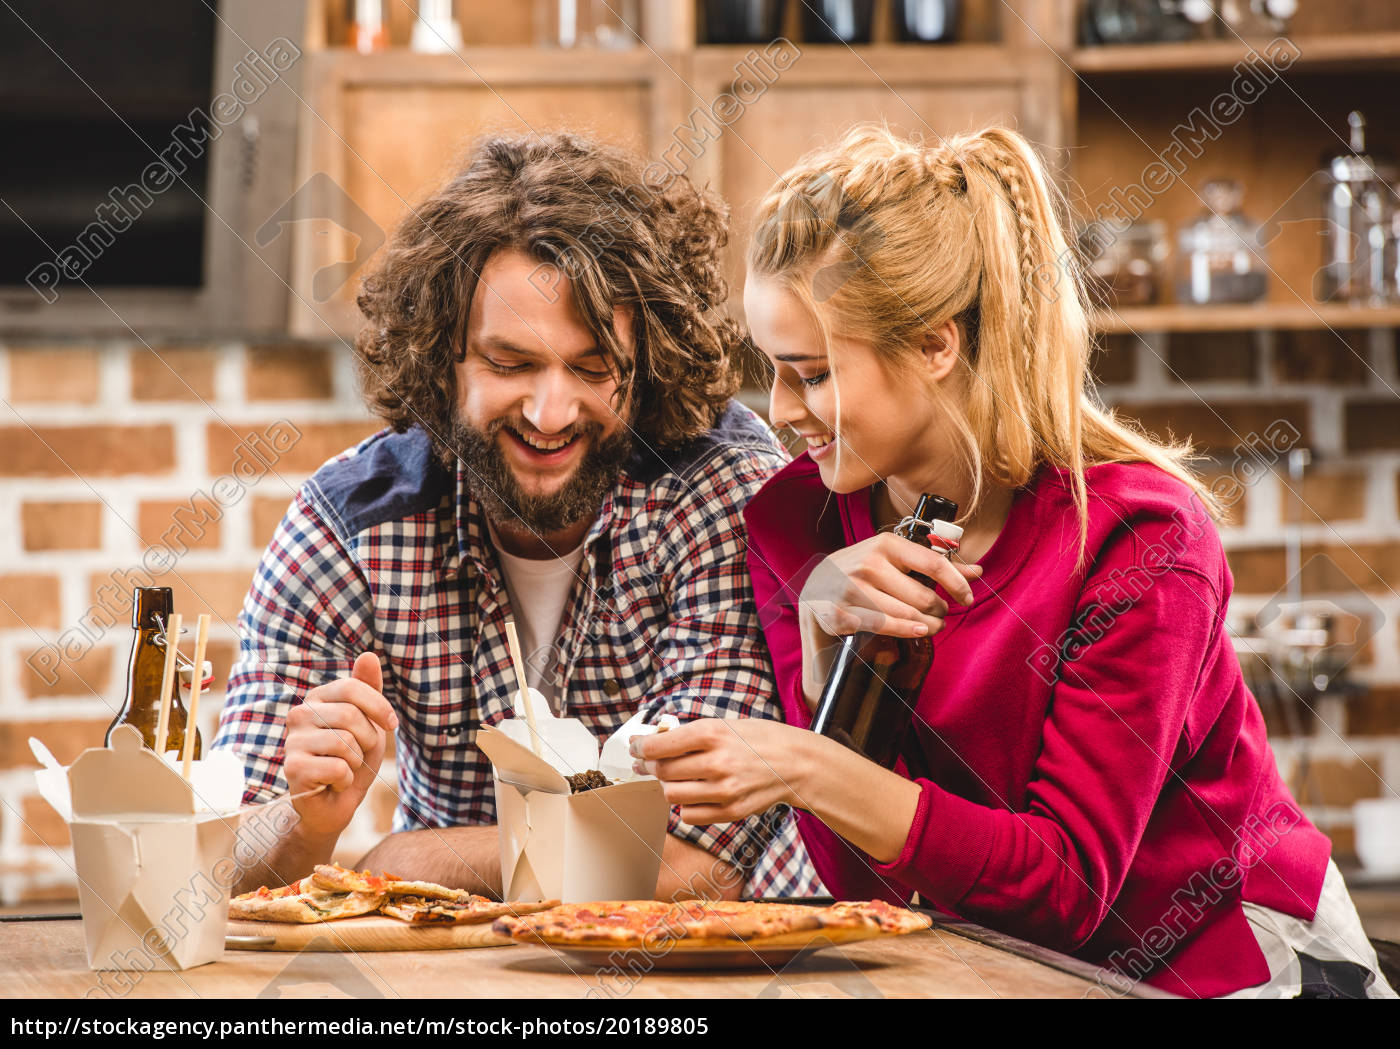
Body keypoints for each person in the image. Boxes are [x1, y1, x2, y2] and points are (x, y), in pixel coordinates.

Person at [630, 123, 1395, 998]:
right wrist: (821, 669)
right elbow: (869, 886)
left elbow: (1066, 888)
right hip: (1011, 971)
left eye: (810, 374)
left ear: (934, 344)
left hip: (1220, 963)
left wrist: (803, 761)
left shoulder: (1139, 540)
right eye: (768, 370)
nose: (780, 410)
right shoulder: (799, 521)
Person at [213, 130, 817, 902]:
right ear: (444, 359)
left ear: (646, 364)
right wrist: (307, 824)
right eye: (510, 364)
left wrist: (404, 861)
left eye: (593, 367)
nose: (551, 410)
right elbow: (223, 863)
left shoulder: (726, 493)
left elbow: (697, 865)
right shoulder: (348, 526)